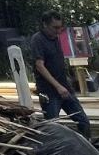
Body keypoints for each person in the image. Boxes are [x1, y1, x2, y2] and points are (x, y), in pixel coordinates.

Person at [29, 10, 92, 139]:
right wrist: (57, 86)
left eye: (60, 27)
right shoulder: (38, 40)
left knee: (83, 121)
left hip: (65, 87)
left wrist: (66, 80)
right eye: (55, 27)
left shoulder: (55, 38)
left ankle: (86, 150)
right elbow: (40, 66)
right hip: (49, 91)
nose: (58, 31)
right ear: (45, 24)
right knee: (53, 127)